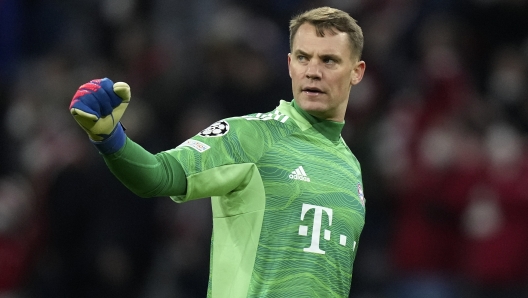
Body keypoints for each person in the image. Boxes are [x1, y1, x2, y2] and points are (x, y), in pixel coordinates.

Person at [69, 6, 366, 297]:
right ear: (290, 65)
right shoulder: (249, 136)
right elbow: (160, 175)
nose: (313, 71)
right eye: (303, 58)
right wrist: (109, 137)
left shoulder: (350, 167)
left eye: (328, 60)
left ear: (356, 72)